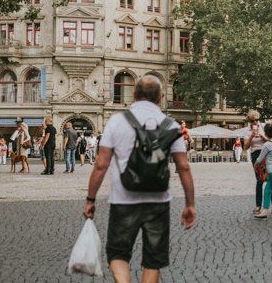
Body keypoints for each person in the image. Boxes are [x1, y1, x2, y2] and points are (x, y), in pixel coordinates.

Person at [84, 74, 196, 283]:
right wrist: (190, 204)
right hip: (158, 201)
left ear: (134, 94)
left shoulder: (117, 121)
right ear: (161, 98)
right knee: (153, 260)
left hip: (123, 199)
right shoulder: (171, 125)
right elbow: (183, 167)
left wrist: (90, 199)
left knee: (118, 254)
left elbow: (101, 164)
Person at [243, 110, 272, 214]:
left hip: (266, 153)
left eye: (257, 120)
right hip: (255, 155)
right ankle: (258, 205)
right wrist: (251, 136)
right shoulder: (247, 131)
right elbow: (245, 146)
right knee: (259, 180)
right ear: (250, 121)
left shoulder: (263, 127)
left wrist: (263, 137)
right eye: (253, 121)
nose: (256, 122)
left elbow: (271, 140)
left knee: (270, 178)